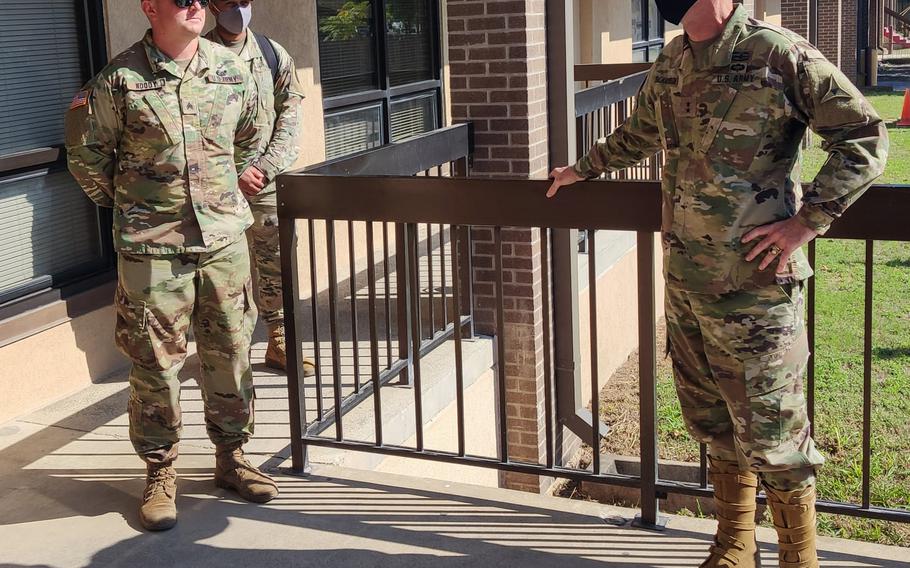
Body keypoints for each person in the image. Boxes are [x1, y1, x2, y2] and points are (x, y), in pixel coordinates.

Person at [547, 1, 888, 566]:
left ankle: (799, 558)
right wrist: (582, 169)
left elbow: (864, 136)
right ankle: (735, 541)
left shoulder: (777, 53)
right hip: (686, 280)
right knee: (713, 422)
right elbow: (641, 132)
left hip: (755, 288)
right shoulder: (674, 59)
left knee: (775, 434)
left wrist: (807, 222)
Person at [65, 0, 279, 532]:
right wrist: (135, 209)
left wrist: (231, 189)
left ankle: (232, 458)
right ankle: (160, 472)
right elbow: (86, 157)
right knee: (155, 365)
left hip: (224, 243)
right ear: (150, 6)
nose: (195, 6)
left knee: (231, 353)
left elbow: (253, 136)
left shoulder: (232, 70)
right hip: (153, 253)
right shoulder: (119, 80)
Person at [204, 0, 315, 375]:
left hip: (264, 187)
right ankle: (228, 355)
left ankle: (279, 342)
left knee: (276, 266)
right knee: (223, 275)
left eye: (244, 1)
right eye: (229, 1)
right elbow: (193, 131)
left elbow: (291, 115)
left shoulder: (271, 53)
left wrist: (264, 169)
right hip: (216, 191)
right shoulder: (198, 57)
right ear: (210, 5)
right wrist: (233, 172)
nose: (238, 8)